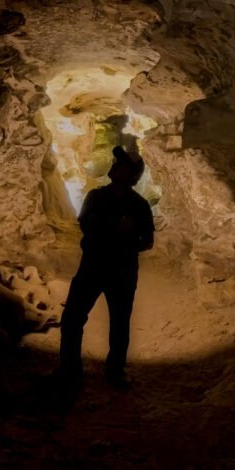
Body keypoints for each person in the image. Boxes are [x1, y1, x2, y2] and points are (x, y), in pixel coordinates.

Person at [57, 145, 154, 393]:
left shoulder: (140, 206)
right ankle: (69, 372)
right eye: (115, 163)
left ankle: (115, 372)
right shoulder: (95, 197)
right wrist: (113, 229)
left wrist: (128, 236)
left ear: (132, 175)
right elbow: (84, 226)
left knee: (119, 323)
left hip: (119, 271)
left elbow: (147, 242)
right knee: (72, 319)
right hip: (93, 266)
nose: (114, 166)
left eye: (120, 165)